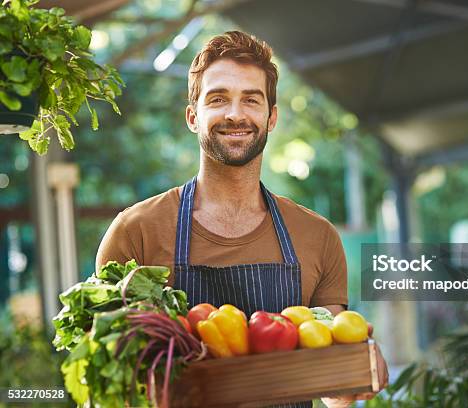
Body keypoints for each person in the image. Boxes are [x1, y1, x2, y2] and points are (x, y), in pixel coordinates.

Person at [96, 30, 387, 408]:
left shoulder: (316, 236)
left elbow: (331, 387)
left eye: (251, 100)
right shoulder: (135, 231)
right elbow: (106, 378)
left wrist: (355, 373)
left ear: (271, 117)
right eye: (218, 99)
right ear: (192, 117)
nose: (235, 114)